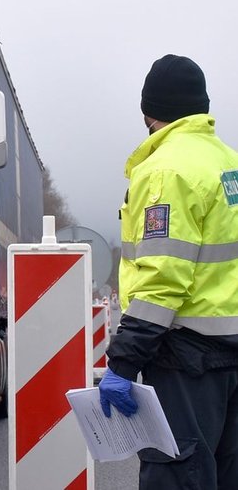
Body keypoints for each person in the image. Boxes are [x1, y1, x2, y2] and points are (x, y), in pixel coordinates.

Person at [100, 54, 238, 489]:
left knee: (178, 474)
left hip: (186, 361)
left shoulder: (165, 171)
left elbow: (163, 278)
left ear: (149, 112)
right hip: (229, 355)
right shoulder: (227, 163)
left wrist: (124, 361)